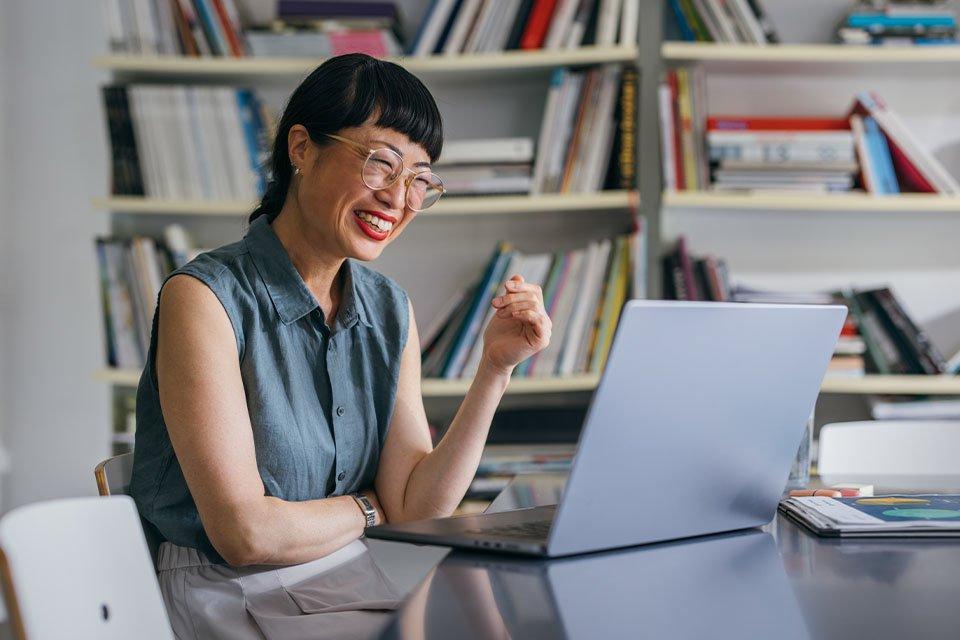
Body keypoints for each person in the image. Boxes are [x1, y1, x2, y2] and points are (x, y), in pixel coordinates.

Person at [129, 53, 552, 568]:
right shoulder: (204, 298)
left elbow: (416, 508)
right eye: (381, 164)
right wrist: (368, 509)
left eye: (419, 180)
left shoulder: (388, 308)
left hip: (349, 577)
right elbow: (245, 536)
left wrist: (494, 369)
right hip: (230, 593)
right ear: (302, 148)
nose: (398, 199)